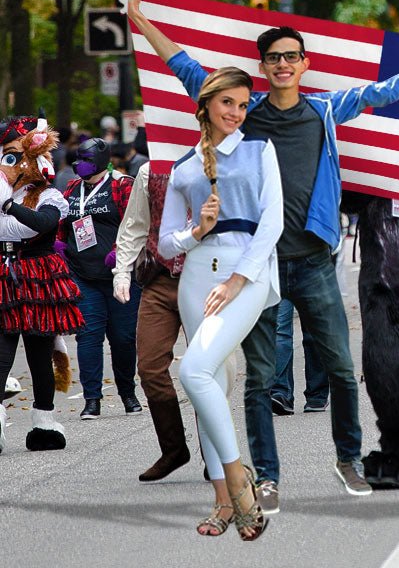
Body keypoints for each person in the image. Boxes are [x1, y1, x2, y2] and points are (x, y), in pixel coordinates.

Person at [127, 0, 399, 510]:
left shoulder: (325, 110)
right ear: (263, 67)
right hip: (257, 267)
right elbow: (184, 67)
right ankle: (266, 476)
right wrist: (140, 21)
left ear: (305, 63)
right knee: (261, 380)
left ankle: (349, 460)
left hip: (313, 262)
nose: (284, 64)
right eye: (274, 58)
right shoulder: (244, 114)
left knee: (338, 367)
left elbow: (382, 91)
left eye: (292, 56)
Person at [159, 66, 280, 539]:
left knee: (193, 370)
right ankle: (222, 504)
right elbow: (166, 244)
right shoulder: (184, 167)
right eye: (228, 102)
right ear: (207, 104)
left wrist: (236, 279)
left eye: (243, 104)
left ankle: (239, 484)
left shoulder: (259, 149)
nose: (236, 112)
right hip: (195, 277)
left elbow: (272, 222)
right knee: (210, 384)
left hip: (244, 274)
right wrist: (197, 231)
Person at [0, 115, 81, 453]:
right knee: (2, 356)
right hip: (4, 276)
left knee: (39, 355)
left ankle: (44, 422)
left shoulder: (49, 196)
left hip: (37, 278)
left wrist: (7, 207)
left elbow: (41, 225)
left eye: (15, 156)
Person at [112, 162, 192, 481]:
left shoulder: (221, 162)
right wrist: (121, 271)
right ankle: (173, 448)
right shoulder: (150, 171)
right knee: (149, 366)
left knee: (206, 369)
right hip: (159, 281)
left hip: (204, 281)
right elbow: (134, 226)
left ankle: (217, 452)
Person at [60, 138, 141, 420]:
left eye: (85, 158)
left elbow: (137, 224)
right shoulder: (72, 188)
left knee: (123, 338)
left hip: (121, 275)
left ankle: (128, 393)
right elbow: (63, 223)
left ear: (100, 159)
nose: (78, 163)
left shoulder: (122, 185)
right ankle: (92, 398)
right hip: (83, 275)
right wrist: (60, 245)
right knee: (88, 337)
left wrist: (120, 253)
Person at [270, 297, 329, 415]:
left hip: (312, 279)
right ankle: (281, 393)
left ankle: (317, 396)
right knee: (280, 330)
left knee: (312, 332)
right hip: (282, 279)